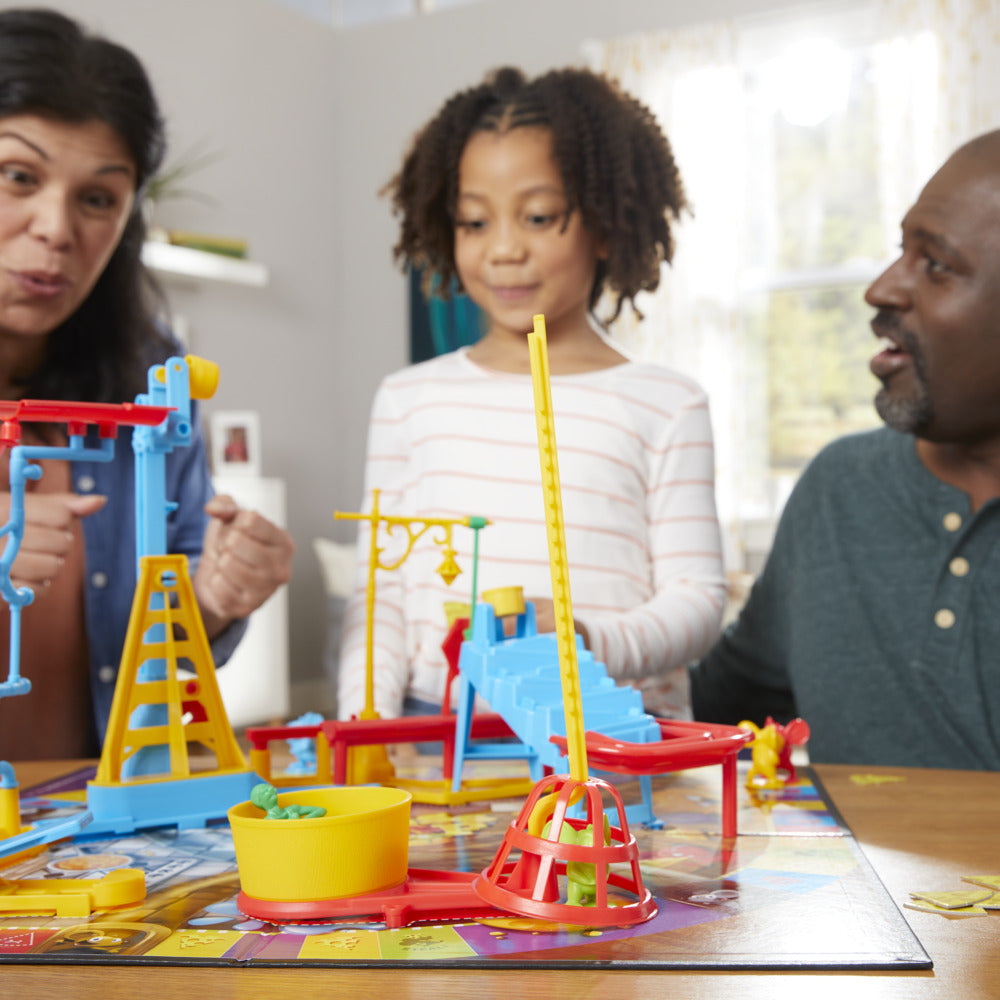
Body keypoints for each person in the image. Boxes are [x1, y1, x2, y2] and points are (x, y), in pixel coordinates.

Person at [338, 66, 726, 722]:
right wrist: (367, 727)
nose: (503, 249)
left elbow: (698, 599)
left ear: (605, 225)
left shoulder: (667, 404)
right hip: (439, 734)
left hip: (613, 734)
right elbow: (381, 598)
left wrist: (586, 641)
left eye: (539, 217)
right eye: (474, 222)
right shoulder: (409, 400)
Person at [0, 9, 295, 760]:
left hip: (80, 816)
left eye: (98, 198)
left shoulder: (151, 376)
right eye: (17, 176)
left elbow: (175, 627)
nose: (56, 228)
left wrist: (216, 595)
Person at [690, 129, 1000, 771]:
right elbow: (718, 709)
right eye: (901, 251)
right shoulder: (839, 488)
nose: (880, 289)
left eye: (937, 265)